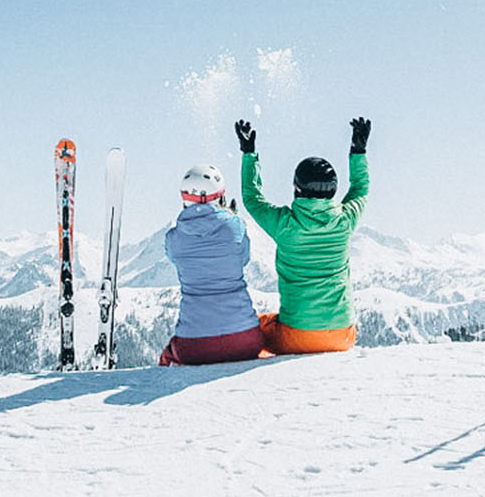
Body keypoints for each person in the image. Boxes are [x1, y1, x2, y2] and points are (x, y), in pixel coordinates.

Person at [237, 116, 370, 355]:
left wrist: (249, 154)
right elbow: (360, 188)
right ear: (334, 189)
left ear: (296, 188)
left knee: (253, 329)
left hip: (296, 337)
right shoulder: (345, 221)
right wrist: (358, 151)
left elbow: (252, 197)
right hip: (344, 335)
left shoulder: (285, 225)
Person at [158, 164, 266, 366]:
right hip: (245, 340)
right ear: (220, 196)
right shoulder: (236, 226)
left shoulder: (173, 238)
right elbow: (243, 259)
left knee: (169, 356)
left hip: (194, 346)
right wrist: (230, 218)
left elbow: (175, 258)